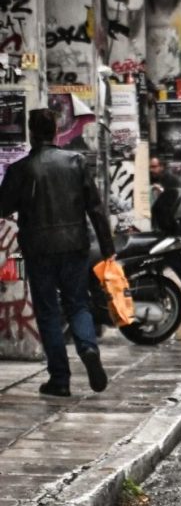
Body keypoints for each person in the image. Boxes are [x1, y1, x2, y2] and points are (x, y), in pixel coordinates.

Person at [0, 109, 115, 397]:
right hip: (74, 245)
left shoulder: (20, 170)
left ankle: (60, 380)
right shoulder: (75, 162)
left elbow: (2, 207)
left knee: (48, 311)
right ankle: (87, 347)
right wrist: (107, 247)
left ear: (31, 132)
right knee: (78, 303)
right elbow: (96, 208)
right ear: (55, 131)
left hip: (38, 251)